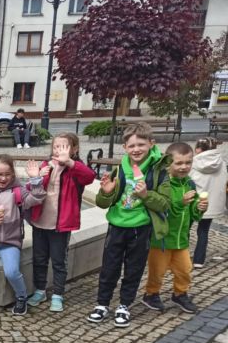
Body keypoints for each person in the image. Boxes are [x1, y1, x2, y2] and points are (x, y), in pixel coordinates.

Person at [88, 122, 171, 328]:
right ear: (125, 147)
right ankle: (102, 303)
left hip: (140, 228)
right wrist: (106, 192)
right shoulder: (120, 169)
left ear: (151, 143)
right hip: (117, 226)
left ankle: (124, 305)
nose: (136, 149)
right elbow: (102, 203)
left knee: (134, 268)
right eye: (131, 145)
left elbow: (165, 203)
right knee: (109, 267)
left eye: (141, 144)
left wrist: (146, 195)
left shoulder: (158, 171)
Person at [27, 133, 96, 313]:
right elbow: (31, 191)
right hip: (40, 221)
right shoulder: (46, 165)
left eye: (64, 147)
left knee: (59, 261)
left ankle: (58, 294)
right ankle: (40, 290)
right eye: (56, 146)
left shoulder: (76, 168)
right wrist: (36, 177)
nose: (59, 150)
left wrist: (70, 162)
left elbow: (89, 177)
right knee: (39, 259)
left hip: (60, 224)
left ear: (75, 149)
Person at [0, 155, 46, 321]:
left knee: (12, 271)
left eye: (7, 174)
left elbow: (37, 199)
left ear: (13, 174)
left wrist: (35, 179)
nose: (3, 178)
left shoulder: (18, 192)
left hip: (11, 241)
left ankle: (21, 297)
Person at [141, 142, 208, 314]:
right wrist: (181, 203)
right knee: (157, 271)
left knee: (185, 269)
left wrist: (199, 208)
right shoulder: (164, 185)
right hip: (161, 240)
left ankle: (180, 293)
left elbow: (193, 214)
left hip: (181, 239)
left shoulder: (190, 184)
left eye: (188, 162)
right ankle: (151, 294)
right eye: (179, 163)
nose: (184, 167)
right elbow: (163, 209)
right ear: (168, 163)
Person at [190, 137, 227, 268]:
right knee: (203, 231)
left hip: (192, 201)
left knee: (184, 230)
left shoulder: (193, 162)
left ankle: (180, 257)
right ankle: (199, 260)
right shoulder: (221, 162)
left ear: (198, 149)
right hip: (210, 203)